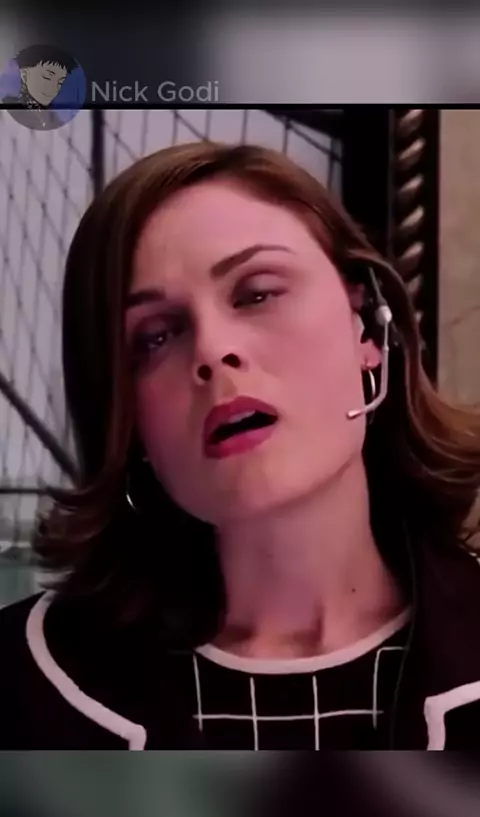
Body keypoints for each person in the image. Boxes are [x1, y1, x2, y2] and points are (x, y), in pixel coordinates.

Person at [0, 141, 479, 750]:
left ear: (367, 328)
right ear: (125, 416)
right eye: (156, 336)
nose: (212, 351)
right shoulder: (19, 687)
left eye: (257, 294)